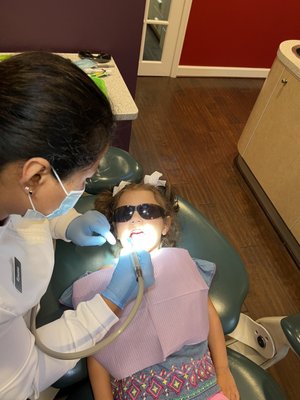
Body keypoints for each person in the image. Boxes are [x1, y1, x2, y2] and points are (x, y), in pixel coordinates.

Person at [0, 51, 155, 400]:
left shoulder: (12, 176)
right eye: (84, 178)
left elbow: (24, 210)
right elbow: (21, 379)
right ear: (37, 174)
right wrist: (110, 304)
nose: (83, 189)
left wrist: (65, 223)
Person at [72, 172, 240, 400]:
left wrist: (223, 370)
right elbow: (99, 350)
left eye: (147, 211)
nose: (136, 219)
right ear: (115, 227)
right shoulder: (103, 279)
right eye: (125, 213)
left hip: (201, 386)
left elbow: (208, 314)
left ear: (166, 225)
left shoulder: (182, 264)